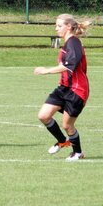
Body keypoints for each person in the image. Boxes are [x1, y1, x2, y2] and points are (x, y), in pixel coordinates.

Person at [34, 14, 89, 161]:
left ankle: (78, 153)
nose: (56, 28)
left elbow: (68, 66)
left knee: (67, 124)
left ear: (69, 27)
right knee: (43, 115)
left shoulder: (74, 43)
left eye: (59, 26)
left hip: (77, 90)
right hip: (64, 88)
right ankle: (62, 141)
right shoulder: (67, 43)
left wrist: (46, 71)